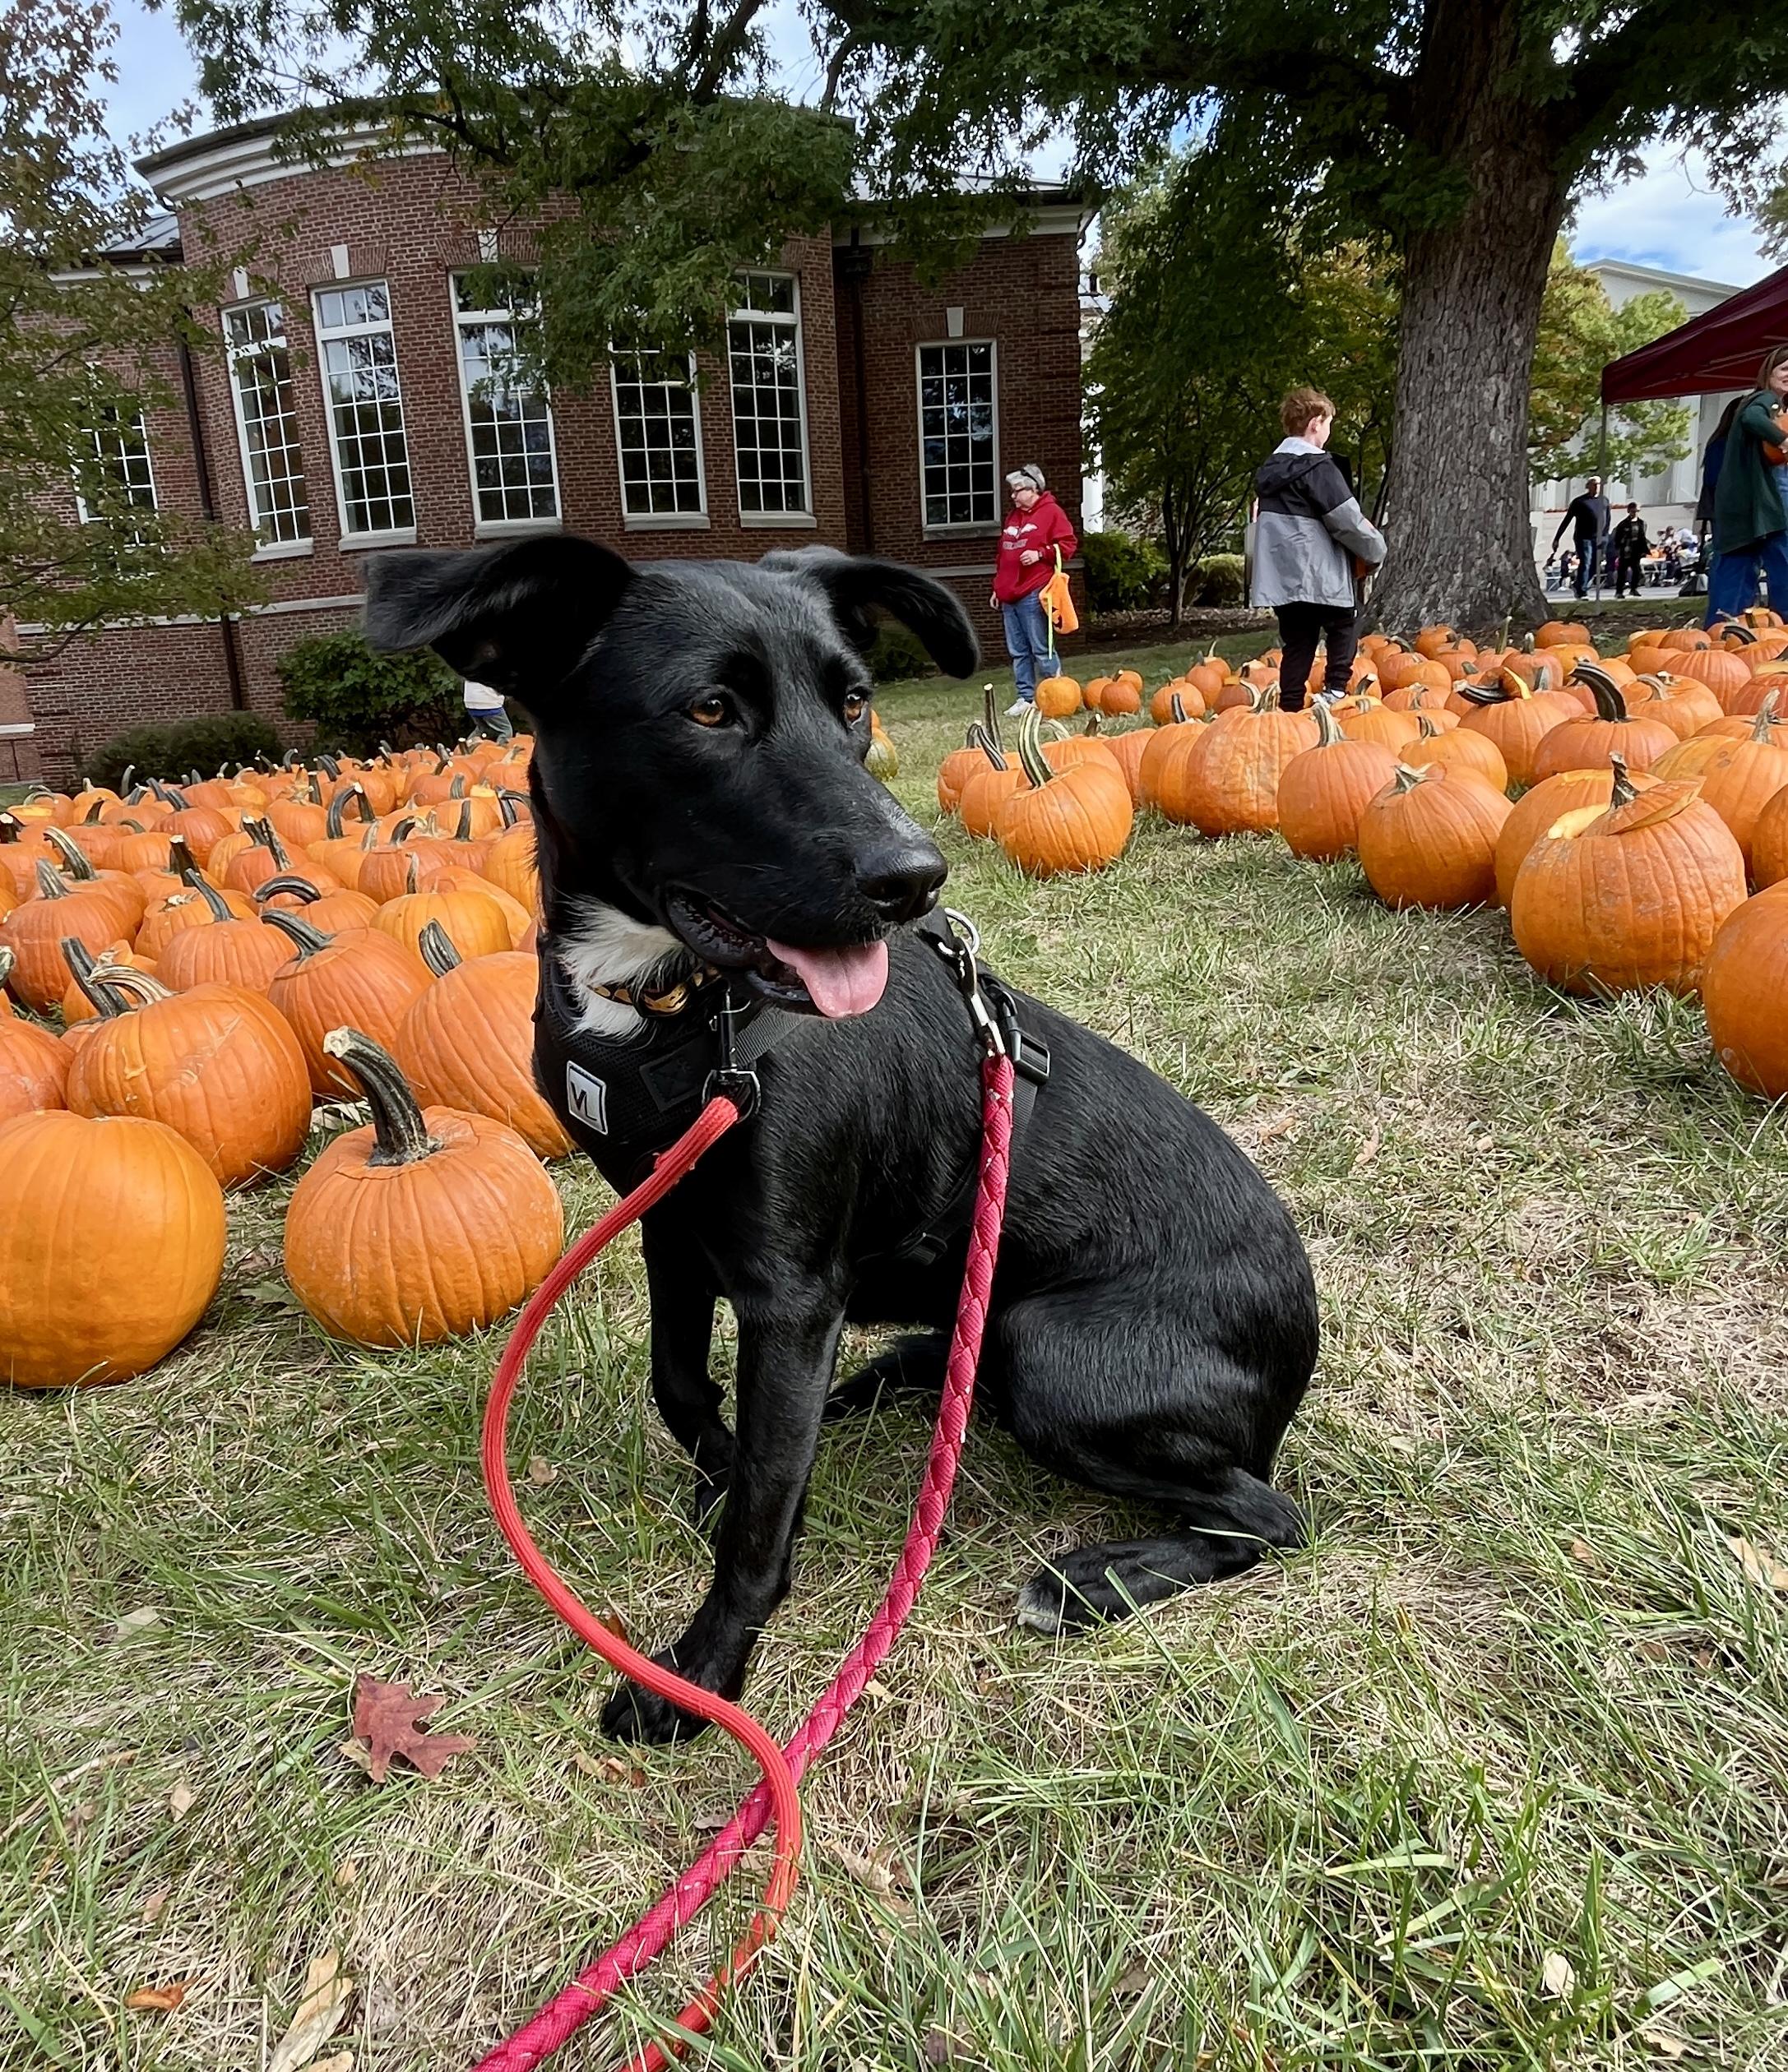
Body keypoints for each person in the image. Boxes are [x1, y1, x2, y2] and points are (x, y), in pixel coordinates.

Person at [1249, 386, 1386, 712]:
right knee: (1346, 622)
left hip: (1283, 579)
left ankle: (1292, 708)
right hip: (1319, 573)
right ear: (1315, 423)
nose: (1328, 432)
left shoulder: (1271, 471)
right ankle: (1335, 691)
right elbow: (1346, 521)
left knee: (1298, 641)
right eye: (1328, 424)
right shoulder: (1317, 468)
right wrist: (1375, 550)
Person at [1707, 347, 1788, 626]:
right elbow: (1752, 419)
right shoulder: (1766, 399)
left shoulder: (1762, 402)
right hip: (1765, 508)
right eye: (1784, 369)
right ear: (1769, 372)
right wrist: (1783, 439)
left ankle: (1722, 632)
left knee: (1735, 573)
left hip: (1741, 510)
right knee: (1783, 564)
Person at [991, 464, 1077, 716]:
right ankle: (1026, 697)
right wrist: (998, 588)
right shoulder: (1013, 518)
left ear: (1034, 489)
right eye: (1012, 491)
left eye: (1018, 490)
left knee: (1040, 645)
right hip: (1009, 594)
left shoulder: (1052, 513)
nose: (1013, 496)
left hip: (1033, 590)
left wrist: (1040, 553)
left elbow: (1068, 545)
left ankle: (1057, 691)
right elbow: (1003, 556)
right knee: (1018, 650)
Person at [1549, 476, 1611, 598]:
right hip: (1584, 538)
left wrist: (1605, 536)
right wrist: (1557, 538)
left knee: (1596, 564)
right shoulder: (1579, 502)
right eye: (1593, 484)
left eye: (1598, 484)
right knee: (1586, 562)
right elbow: (1567, 520)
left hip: (1599, 538)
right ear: (1588, 486)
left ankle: (1578, 584)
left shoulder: (1604, 501)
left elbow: (1607, 519)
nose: (1596, 487)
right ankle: (1582, 590)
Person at [1611, 503, 1649, 597]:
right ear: (1629, 511)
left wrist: (1644, 549)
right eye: (1633, 511)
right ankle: (1619, 591)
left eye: (1636, 511)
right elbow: (1617, 538)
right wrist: (1619, 549)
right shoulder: (1623, 524)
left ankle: (1634, 589)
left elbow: (1642, 537)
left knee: (1636, 571)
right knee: (1622, 572)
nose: (1634, 513)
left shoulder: (1642, 523)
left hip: (1636, 551)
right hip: (1625, 551)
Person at [461, 675, 513, 743]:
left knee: (482, 728)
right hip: (488, 700)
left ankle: (466, 748)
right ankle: (501, 751)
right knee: (505, 730)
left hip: (470, 699)